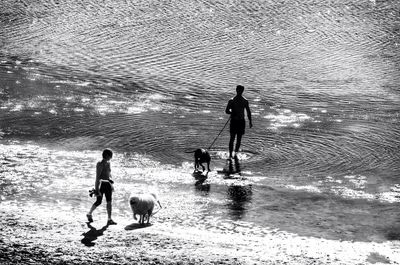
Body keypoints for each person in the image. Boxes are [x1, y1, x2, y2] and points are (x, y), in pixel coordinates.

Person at [86, 149, 117, 225]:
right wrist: (97, 189)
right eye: (110, 155)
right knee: (99, 201)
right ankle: (89, 213)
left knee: (109, 201)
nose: (111, 157)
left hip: (108, 184)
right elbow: (97, 177)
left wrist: (110, 180)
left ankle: (109, 219)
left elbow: (108, 174)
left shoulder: (108, 163)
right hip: (101, 184)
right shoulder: (100, 164)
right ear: (106, 155)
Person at [225, 85, 253, 159]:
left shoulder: (245, 101)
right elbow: (227, 111)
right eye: (238, 90)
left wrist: (250, 121)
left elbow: (248, 112)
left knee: (239, 139)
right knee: (232, 138)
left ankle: (235, 154)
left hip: (241, 121)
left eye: (241, 90)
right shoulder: (231, 100)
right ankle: (231, 155)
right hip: (234, 121)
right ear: (236, 90)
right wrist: (232, 112)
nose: (239, 92)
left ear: (242, 91)